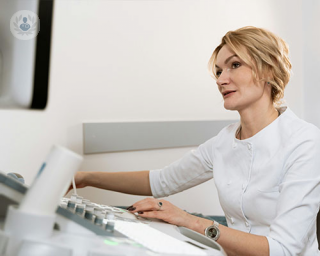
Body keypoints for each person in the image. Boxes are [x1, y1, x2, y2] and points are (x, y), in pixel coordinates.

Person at [70, 26, 320, 256]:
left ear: (269, 69)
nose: (221, 80)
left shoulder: (304, 142)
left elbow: (283, 249)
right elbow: (162, 180)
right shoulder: (224, 141)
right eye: (219, 71)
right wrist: (85, 178)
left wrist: (190, 221)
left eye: (235, 65)